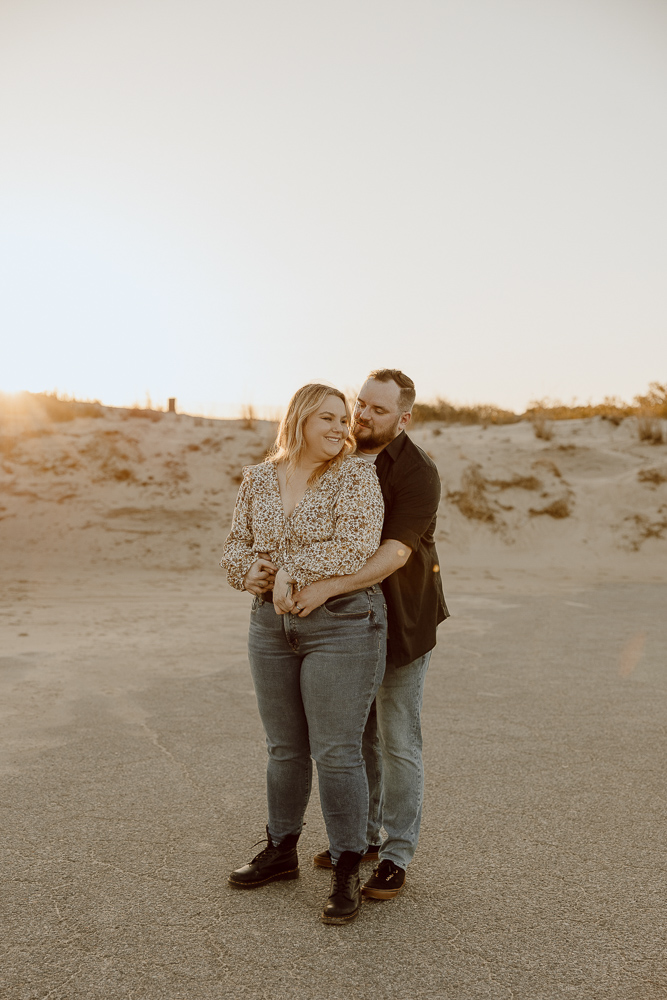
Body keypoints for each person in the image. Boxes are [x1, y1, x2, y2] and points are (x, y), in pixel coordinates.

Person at [220, 383, 387, 925]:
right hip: (270, 626)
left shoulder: (356, 476)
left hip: (341, 625)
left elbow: (357, 542)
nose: (344, 428)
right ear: (298, 421)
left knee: (336, 751)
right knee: (284, 748)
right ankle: (281, 850)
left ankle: (345, 866)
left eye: (345, 419)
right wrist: (247, 572)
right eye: (330, 419)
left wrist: (294, 567)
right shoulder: (258, 478)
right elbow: (234, 545)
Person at [289, 369, 449, 901]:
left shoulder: (417, 471)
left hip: (401, 621)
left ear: (404, 417)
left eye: (377, 410)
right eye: (361, 404)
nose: (362, 416)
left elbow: (395, 553)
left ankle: (397, 853)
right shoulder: (339, 455)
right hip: (347, 625)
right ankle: (362, 837)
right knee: (357, 736)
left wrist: (327, 585)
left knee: (398, 739)